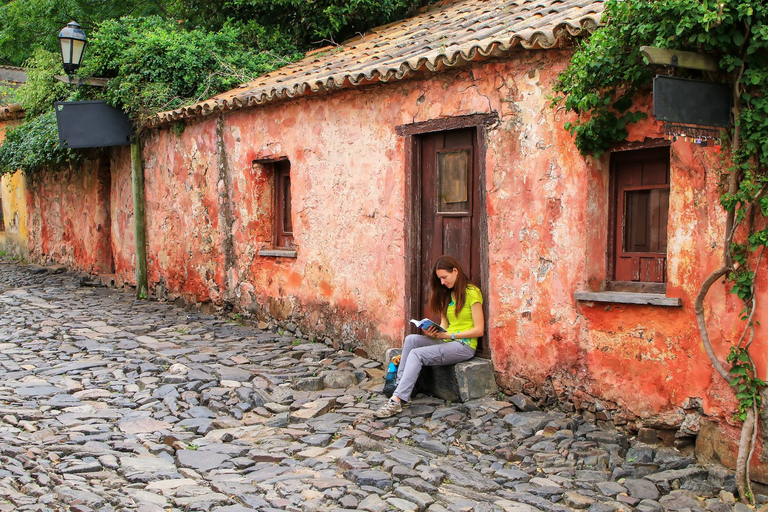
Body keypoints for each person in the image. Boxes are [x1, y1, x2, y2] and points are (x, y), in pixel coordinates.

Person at [375, 255, 484, 418]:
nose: (442, 282)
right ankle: (401, 389)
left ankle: (397, 400)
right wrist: (434, 333)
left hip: (464, 345)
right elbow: (445, 326)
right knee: (411, 340)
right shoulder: (448, 295)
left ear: (455, 271)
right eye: (440, 279)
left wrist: (450, 335)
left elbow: (479, 330)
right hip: (448, 341)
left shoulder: (472, 293)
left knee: (417, 355)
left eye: (444, 278)